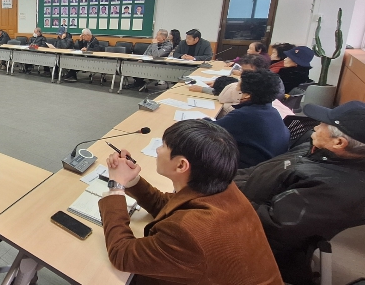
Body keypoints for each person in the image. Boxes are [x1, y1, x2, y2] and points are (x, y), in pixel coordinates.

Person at [99, 119, 282, 284]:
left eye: (163, 145)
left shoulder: (188, 231)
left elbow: (121, 254)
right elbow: (167, 205)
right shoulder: (222, 188)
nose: (157, 150)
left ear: (181, 165)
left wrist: (116, 187)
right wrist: (131, 180)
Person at [235, 101, 365, 285]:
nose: (316, 126)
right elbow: (257, 172)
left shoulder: (337, 189)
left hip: (259, 246)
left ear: (338, 143)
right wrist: (220, 177)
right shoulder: (315, 149)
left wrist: (221, 196)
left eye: (323, 124)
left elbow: (270, 226)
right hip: (240, 202)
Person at [213, 70, 290, 168]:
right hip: (267, 166)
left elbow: (210, 129)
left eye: (239, 90)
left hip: (246, 170)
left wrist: (202, 119)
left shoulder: (245, 115)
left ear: (248, 95)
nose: (236, 90)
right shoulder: (272, 111)